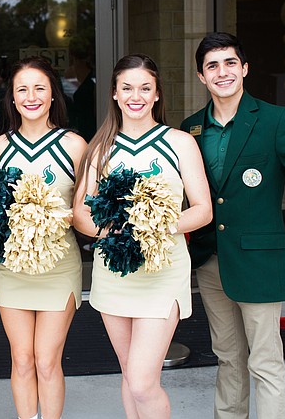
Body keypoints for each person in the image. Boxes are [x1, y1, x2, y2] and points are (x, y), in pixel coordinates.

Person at [180, 32, 285, 419]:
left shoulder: (275, 120)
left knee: (265, 361)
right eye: (212, 66)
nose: (222, 72)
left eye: (229, 63)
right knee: (227, 358)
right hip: (210, 261)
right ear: (201, 76)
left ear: (244, 69)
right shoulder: (190, 128)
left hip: (258, 260)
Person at [73, 54, 213, 418]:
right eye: (127, 88)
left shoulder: (179, 142)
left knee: (141, 381)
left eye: (145, 88)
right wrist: (111, 229)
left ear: (156, 95)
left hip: (162, 273)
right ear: (115, 95)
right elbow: (81, 214)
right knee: (129, 374)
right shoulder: (100, 147)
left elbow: (202, 210)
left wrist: (154, 224)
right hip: (115, 274)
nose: (136, 95)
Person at [0, 56, 87, 419]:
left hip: (60, 268)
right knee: (22, 359)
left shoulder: (75, 145)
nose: (31, 96)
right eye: (22, 89)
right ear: (11, 97)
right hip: (13, 268)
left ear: (53, 95)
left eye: (39, 88)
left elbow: (88, 209)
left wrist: (51, 216)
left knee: (46, 360)